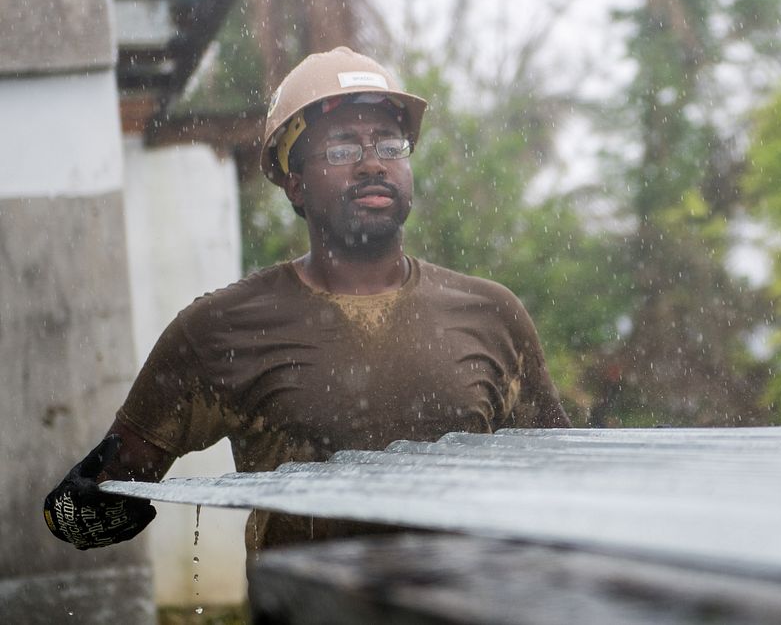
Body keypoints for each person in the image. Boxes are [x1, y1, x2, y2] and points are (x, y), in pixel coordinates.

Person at [43, 46, 571, 554]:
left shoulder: (491, 315)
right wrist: (82, 511)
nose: (371, 164)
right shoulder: (221, 329)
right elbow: (106, 487)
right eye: (342, 149)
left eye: (389, 144)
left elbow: (561, 484)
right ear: (295, 184)